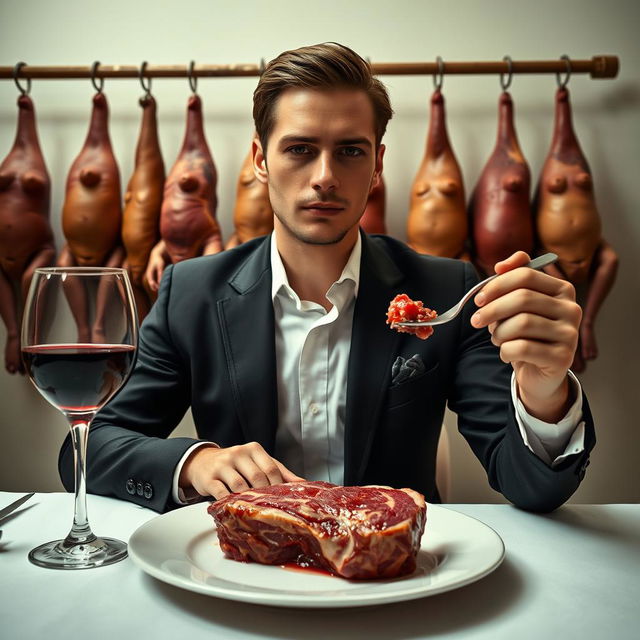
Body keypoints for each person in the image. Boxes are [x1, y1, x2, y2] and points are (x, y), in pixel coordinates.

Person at [59, 43, 594, 513]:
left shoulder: (448, 290)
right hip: (240, 580)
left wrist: (544, 389)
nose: (324, 177)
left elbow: (532, 489)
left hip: (392, 586)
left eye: (350, 151)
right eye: (299, 149)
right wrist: (195, 462)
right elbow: (88, 448)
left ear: (378, 164)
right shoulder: (190, 293)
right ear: (260, 161)